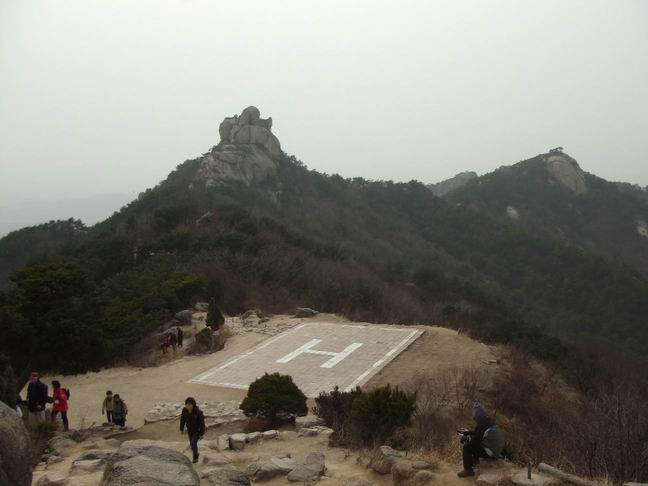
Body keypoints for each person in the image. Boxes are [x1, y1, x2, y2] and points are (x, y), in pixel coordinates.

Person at [457, 402, 504, 478]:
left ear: (477, 417)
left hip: (491, 453)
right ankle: (475, 461)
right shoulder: (488, 422)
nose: (474, 419)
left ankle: (468, 470)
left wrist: (465, 438)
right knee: (473, 439)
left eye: (474, 418)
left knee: (466, 447)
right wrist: (468, 432)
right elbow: (479, 433)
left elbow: (474, 442)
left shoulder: (482, 425)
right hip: (496, 451)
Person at [180, 397, 205, 464]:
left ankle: (195, 458)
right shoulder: (184, 411)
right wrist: (181, 429)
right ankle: (196, 452)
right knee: (192, 444)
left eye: (190, 404)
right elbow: (182, 420)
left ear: (193, 404)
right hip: (190, 431)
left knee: (193, 443)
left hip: (197, 431)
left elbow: (202, 424)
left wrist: (201, 434)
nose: (188, 406)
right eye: (187, 404)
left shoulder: (198, 413)